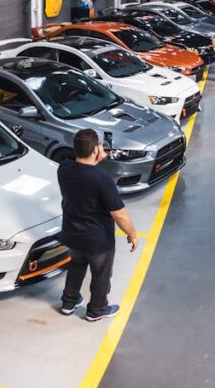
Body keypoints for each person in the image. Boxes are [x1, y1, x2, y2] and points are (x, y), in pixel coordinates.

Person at [58, 129, 138, 321]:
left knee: (76, 267)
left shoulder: (64, 169)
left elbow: (84, 172)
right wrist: (132, 234)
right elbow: (119, 214)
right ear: (95, 149)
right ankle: (97, 310)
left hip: (72, 234)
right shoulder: (102, 179)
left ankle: (69, 302)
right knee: (101, 275)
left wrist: (96, 156)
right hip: (97, 239)